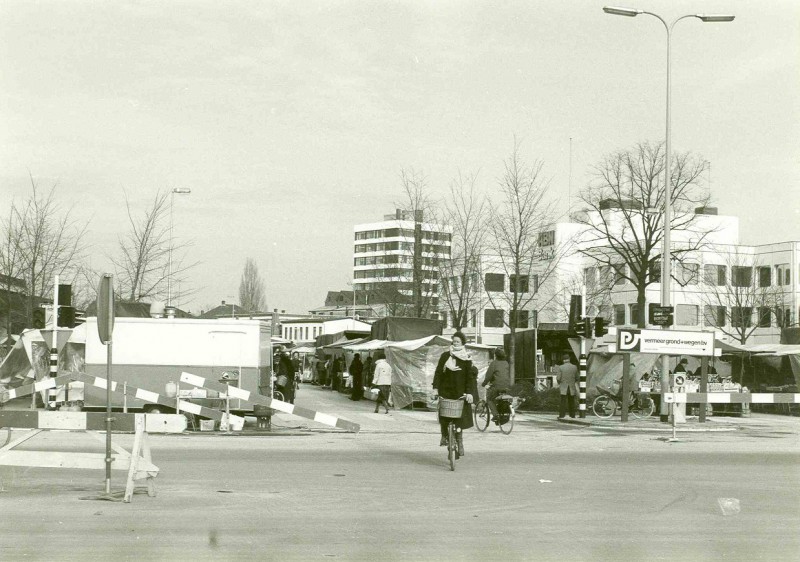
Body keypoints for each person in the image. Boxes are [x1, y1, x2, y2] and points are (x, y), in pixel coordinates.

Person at [432, 331, 477, 456]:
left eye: (458, 341)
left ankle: (459, 441)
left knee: (460, 419)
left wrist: (469, 392)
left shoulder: (467, 358)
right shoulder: (445, 356)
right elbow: (438, 373)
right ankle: (445, 436)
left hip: (460, 391)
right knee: (444, 416)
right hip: (445, 390)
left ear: (462, 343)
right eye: (454, 341)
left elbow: (469, 377)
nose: (455, 343)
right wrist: (435, 389)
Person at [482, 348, 511, 422]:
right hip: (506, 386)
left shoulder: (494, 363)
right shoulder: (506, 363)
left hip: (496, 386)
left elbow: (488, 376)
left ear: (495, 355)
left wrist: (484, 383)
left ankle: (495, 415)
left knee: (490, 399)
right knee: (500, 399)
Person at [556, 353, 578, 419]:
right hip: (571, 386)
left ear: (563, 360)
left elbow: (558, 378)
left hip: (564, 387)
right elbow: (577, 377)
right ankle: (572, 415)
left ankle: (562, 415)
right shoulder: (574, 367)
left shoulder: (561, 367)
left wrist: (559, 383)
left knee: (563, 401)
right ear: (569, 359)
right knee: (572, 401)